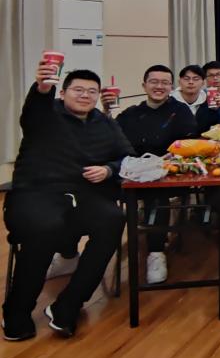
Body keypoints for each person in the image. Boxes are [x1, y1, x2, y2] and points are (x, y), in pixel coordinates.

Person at [3, 65, 133, 341]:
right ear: (62, 93)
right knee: (45, 227)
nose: (85, 95)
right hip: (36, 193)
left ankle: (68, 306)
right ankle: (16, 311)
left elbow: (126, 157)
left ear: (98, 96)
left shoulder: (104, 122)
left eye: (91, 91)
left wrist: (108, 169)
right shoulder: (45, 115)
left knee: (113, 219)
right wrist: (42, 87)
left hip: (83, 195)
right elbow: (35, 106)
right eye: (78, 90)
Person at [109, 65, 198, 284]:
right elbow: (112, 137)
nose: (159, 86)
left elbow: (188, 142)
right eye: (154, 82)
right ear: (144, 85)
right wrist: (106, 110)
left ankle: (156, 252)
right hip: (133, 174)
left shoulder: (180, 111)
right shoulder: (131, 113)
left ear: (171, 86)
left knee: (156, 195)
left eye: (165, 82)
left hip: (168, 175)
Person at [171, 65, 220, 133]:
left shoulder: (209, 102)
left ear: (203, 82)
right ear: (179, 81)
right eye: (186, 78)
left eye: (196, 79)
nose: (191, 82)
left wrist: (215, 110)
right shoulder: (169, 101)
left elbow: (213, 129)